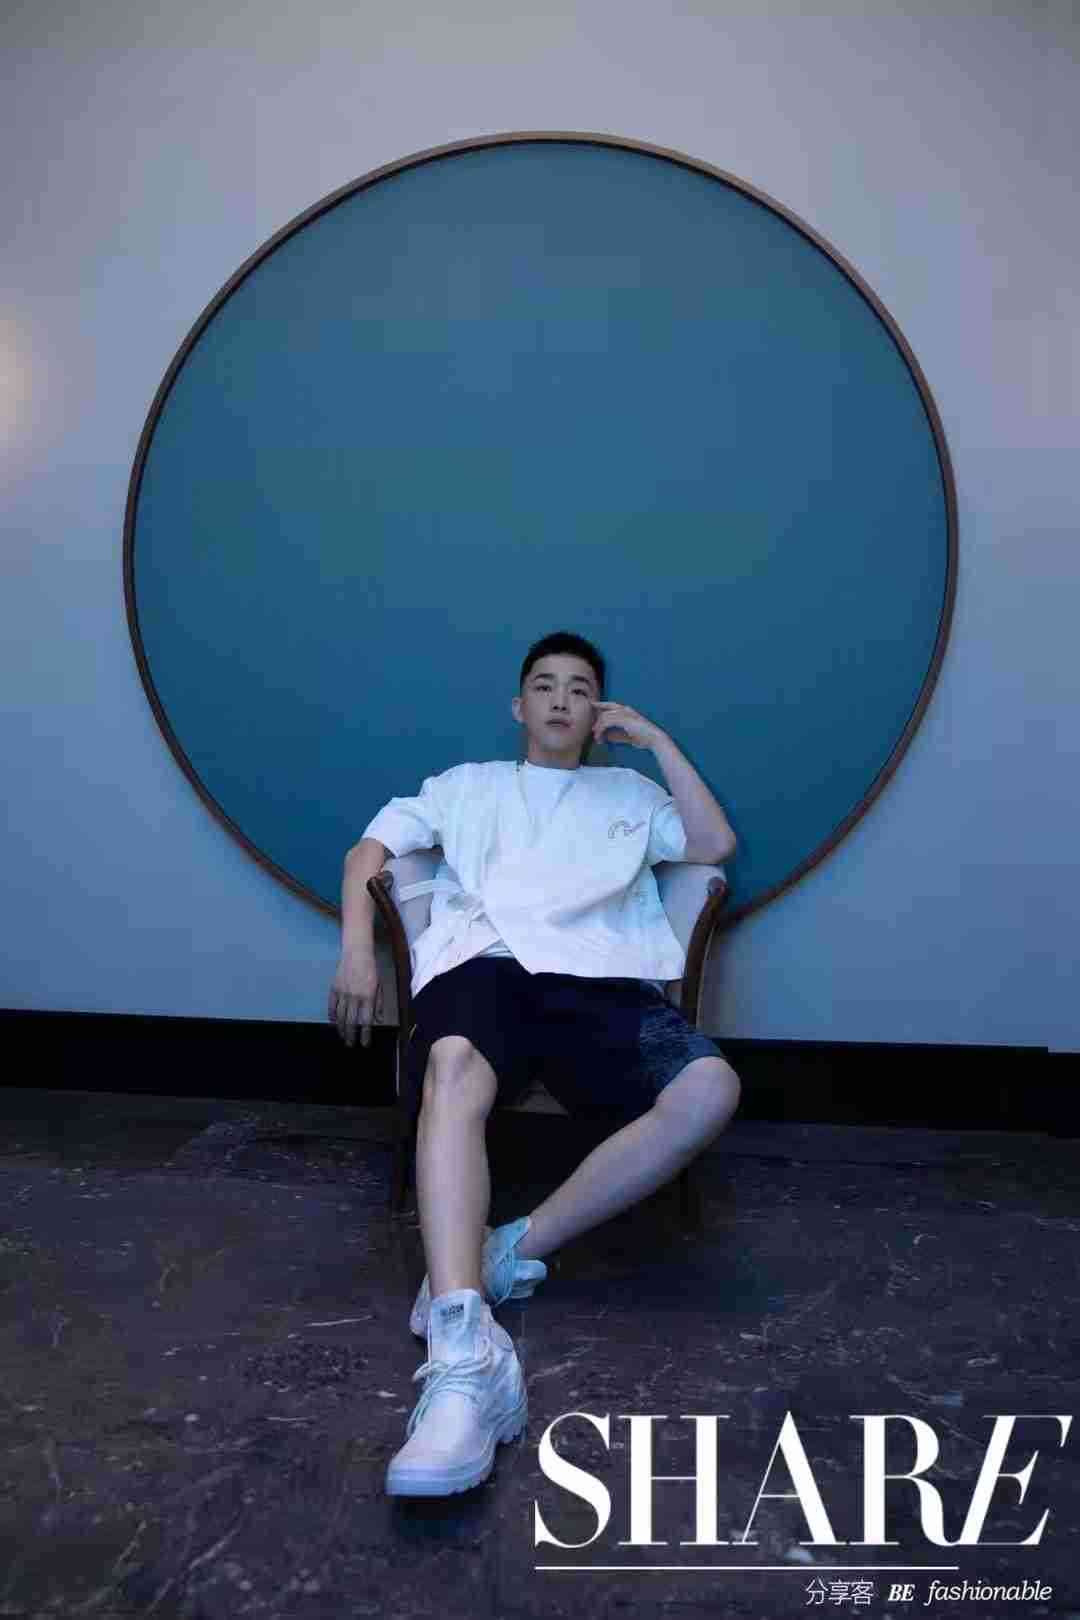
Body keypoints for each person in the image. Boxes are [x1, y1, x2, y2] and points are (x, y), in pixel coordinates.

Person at [329, 630, 741, 1497]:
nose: (561, 699)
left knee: (713, 1087)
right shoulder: (467, 785)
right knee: (450, 1064)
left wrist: (658, 743)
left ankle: (512, 1248)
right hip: (487, 971)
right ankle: (464, 1350)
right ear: (519, 706)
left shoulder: (631, 792)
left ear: (599, 714)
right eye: (545, 686)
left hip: (601, 984)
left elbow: (713, 845)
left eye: (580, 689)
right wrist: (357, 952)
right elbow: (370, 850)